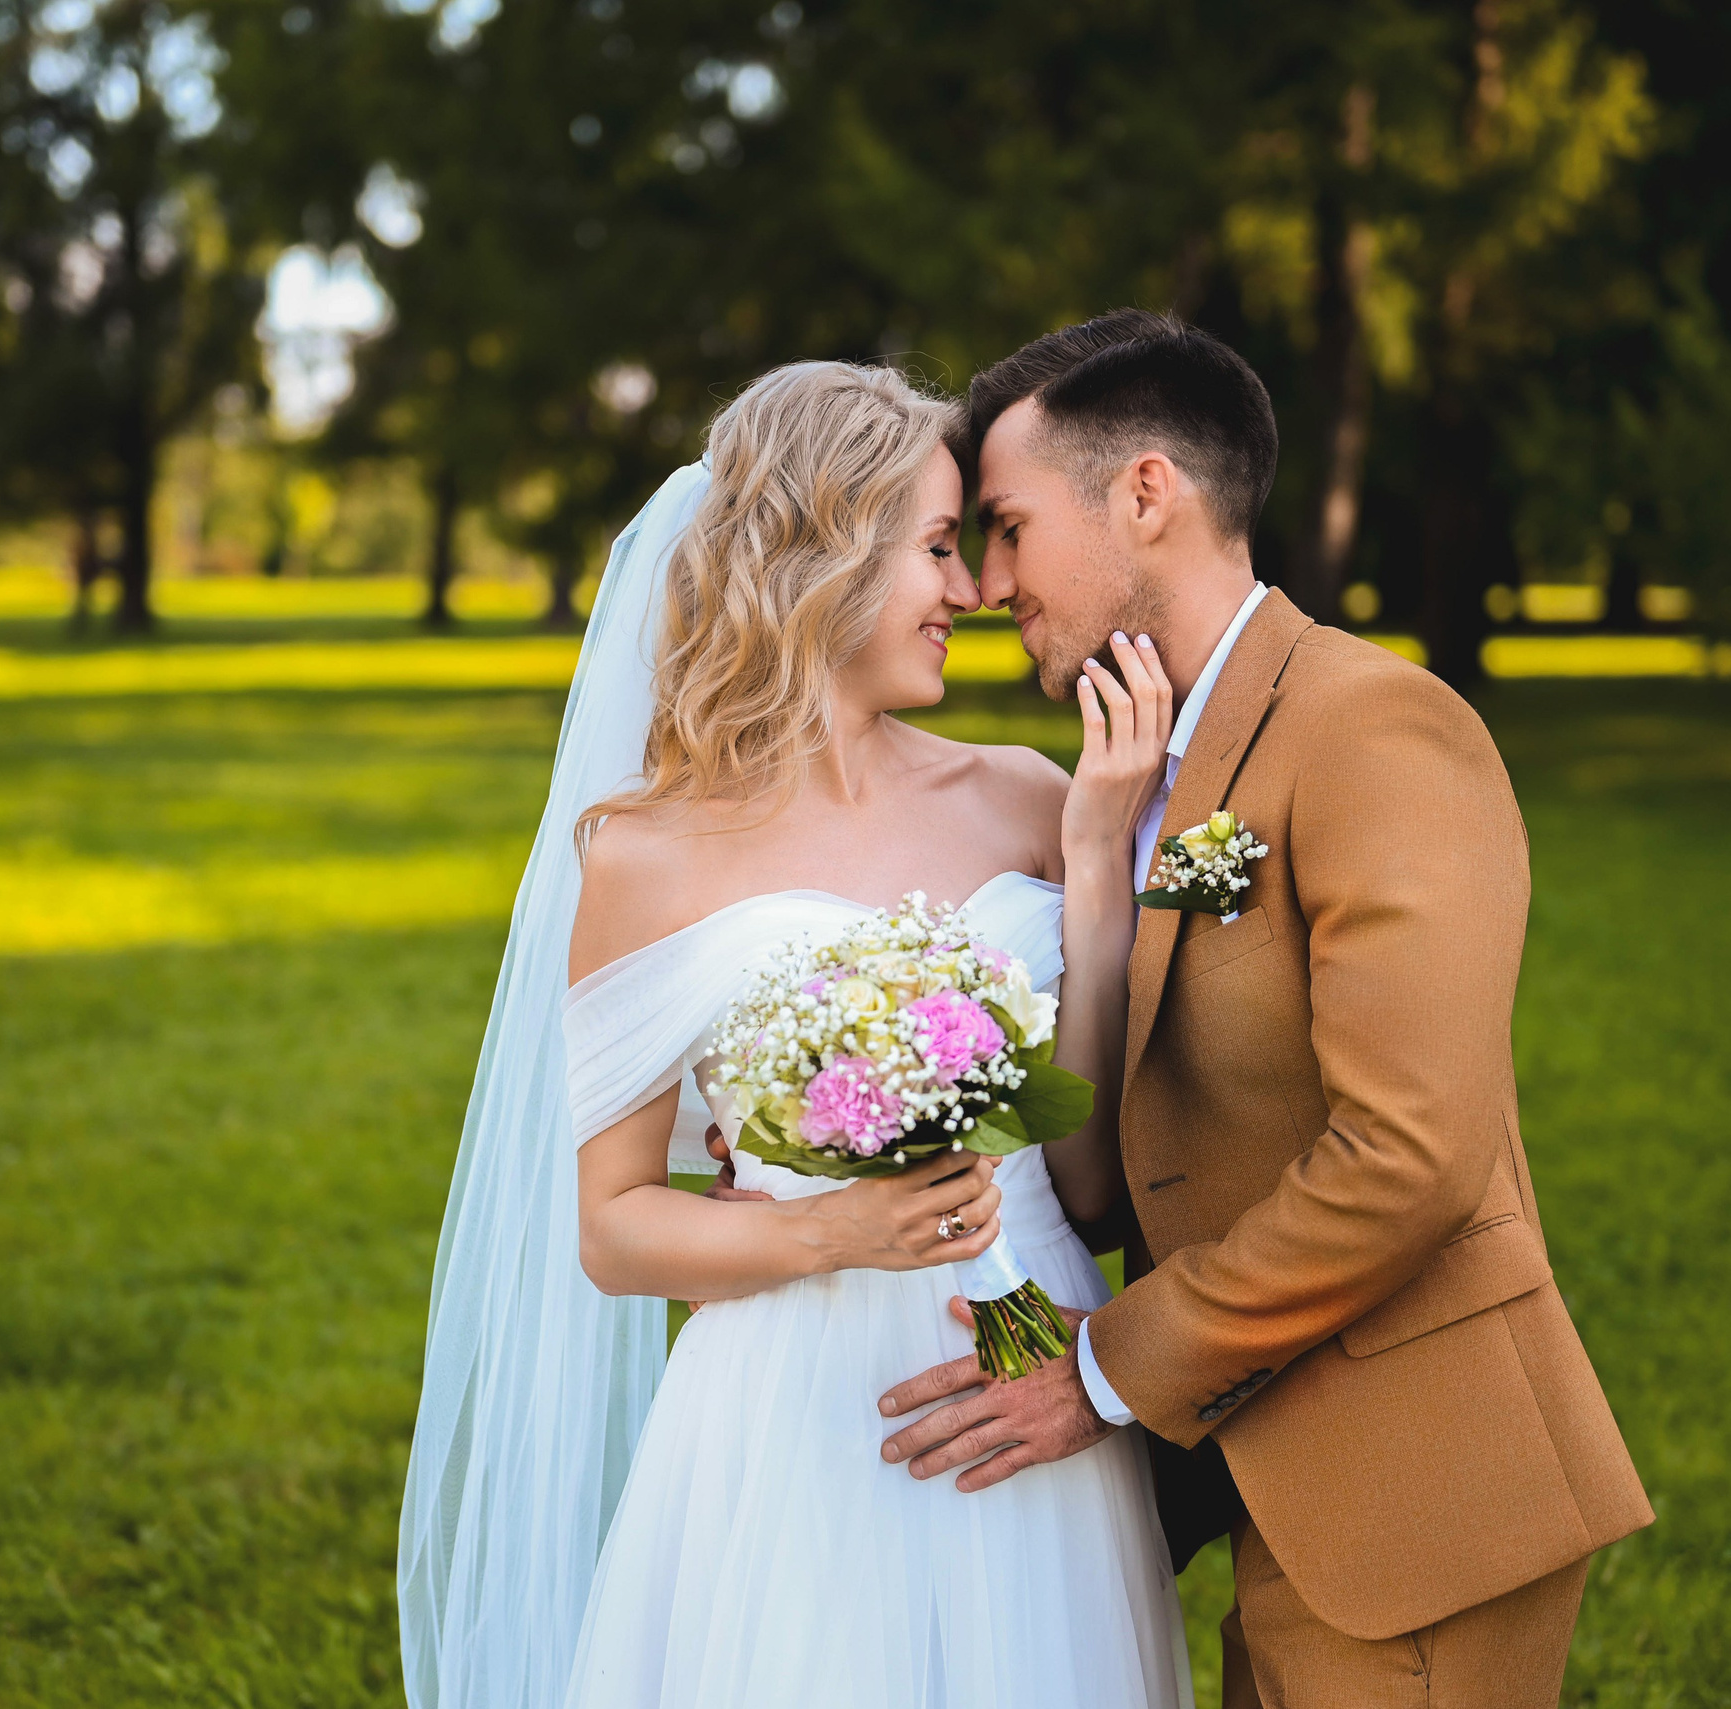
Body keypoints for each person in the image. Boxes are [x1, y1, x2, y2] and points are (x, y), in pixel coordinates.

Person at [873, 310, 1654, 1706]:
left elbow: (1407, 1158)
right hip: (1268, 1473)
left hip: (1413, 1501)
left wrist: (1104, 1370)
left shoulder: (1371, 730)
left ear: (1147, 493)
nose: (989, 584)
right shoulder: (1150, 761)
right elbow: (1126, 1175)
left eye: (1006, 524)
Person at [396, 359, 1192, 1709]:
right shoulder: (649, 856)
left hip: (1023, 1372)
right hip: (790, 1414)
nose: (971, 591)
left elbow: (1093, 1178)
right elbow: (614, 1224)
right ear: (821, 550)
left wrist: (1101, 858)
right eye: (938, 549)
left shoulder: (1025, 798)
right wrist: (828, 1231)